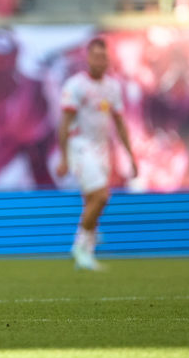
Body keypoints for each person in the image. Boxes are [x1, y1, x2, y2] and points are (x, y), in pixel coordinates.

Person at [56, 38, 137, 271]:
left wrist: (130, 155)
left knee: (93, 201)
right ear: (88, 58)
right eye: (96, 56)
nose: (100, 61)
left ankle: (87, 253)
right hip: (80, 145)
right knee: (101, 196)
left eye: (104, 57)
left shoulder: (112, 87)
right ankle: (80, 246)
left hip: (102, 149)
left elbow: (120, 123)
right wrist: (63, 157)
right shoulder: (75, 86)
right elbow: (64, 124)